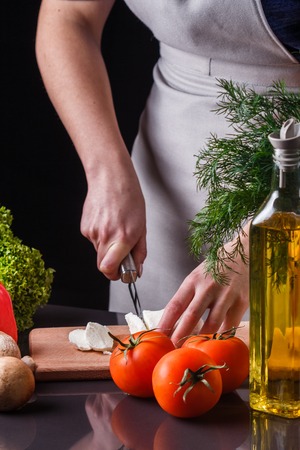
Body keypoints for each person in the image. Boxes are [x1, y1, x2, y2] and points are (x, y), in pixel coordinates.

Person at [35, 0, 300, 343]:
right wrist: (107, 172)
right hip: (163, 180)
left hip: (289, 190)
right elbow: (70, 16)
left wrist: (269, 236)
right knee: (150, 367)